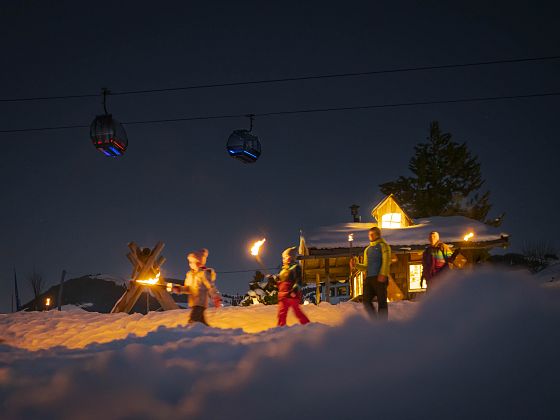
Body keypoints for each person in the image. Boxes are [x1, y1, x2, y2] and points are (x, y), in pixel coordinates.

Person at [350, 227, 391, 320]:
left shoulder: (384, 246)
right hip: (369, 278)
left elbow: (386, 261)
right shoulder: (367, 250)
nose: (370, 236)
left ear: (378, 234)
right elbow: (365, 266)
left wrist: (383, 274)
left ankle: (383, 323)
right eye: (369, 234)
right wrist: (356, 265)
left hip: (380, 277)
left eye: (372, 234)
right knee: (366, 301)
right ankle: (375, 321)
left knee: (382, 302)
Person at [173, 248, 222, 325]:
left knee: (193, 321)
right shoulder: (189, 274)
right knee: (201, 323)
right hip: (193, 303)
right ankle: (208, 332)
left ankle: (193, 333)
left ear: (199, 262)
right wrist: (180, 289)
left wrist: (216, 296)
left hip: (201, 302)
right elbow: (188, 289)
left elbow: (210, 286)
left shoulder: (204, 273)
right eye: (190, 262)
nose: (190, 264)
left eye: (192, 262)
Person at [276, 247, 310, 327]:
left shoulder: (295, 268)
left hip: (292, 296)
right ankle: (280, 328)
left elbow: (299, 281)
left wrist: (294, 290)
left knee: (297, 312)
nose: (283, 259)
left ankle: (308, 325)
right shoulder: (282, 271)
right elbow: (280, 284)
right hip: (283, 296)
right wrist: (274, 281)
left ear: (290, 257)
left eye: (285, 257)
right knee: (281, 314)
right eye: (283, 258)